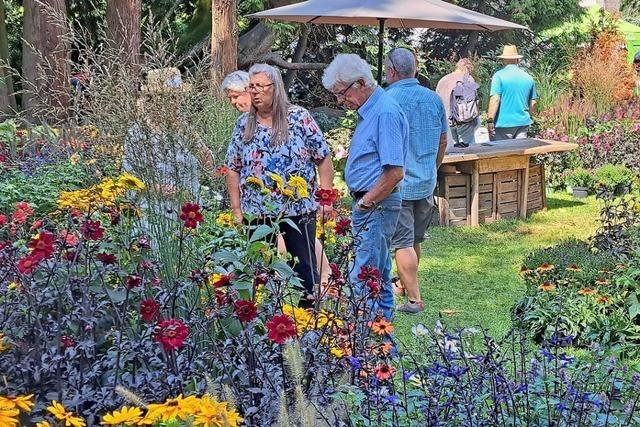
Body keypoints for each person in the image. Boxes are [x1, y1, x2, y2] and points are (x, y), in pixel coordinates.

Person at [225, 64, 334, 307]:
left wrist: (326, 200)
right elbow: (232, 167)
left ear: (276, 88)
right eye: (251, 87)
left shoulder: (299, 118)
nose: (254, 92)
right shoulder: (244, 124)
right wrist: (236, 210)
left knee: (305, 267)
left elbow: (324, 158)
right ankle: (263, 318)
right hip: (257, 212)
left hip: (298, 210)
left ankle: (309, 318)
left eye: (260, 87)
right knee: (259, 268)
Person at [322, 54, 408, 320]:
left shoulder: (385, 111)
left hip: (376, 206)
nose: (340, 100)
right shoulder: (371, 111)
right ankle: (380, 348)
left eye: (341, 93)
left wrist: (365, 203)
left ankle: (367, 347)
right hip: (373, 206)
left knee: (364, 279)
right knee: (377, 277)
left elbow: (395, 172)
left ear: (360, 83)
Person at [385, 48, 447, 314]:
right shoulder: (433, 99)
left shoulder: (387, 99)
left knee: (403, 242)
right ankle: (402, 283)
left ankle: (414, 299)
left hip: (398, 184)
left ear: (391, 71)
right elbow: (443, 140)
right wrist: (433, 167)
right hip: (426, 181)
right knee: (414, 239)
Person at [487, 45, 538, 141]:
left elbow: (495, 99)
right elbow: (533, 103)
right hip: (522, 124)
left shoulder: (498, 76)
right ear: (517, 60)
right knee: (519, 153)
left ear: (503, 60)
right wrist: (530, 116)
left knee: (501, 154)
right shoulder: (528, 78)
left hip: (502, 124)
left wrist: (490, 120)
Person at [436, 58, 480, 148]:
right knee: (468, 149)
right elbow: (473, 102)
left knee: (451, 149)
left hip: (446, 119)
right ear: (467, 68)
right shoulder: (468, 78)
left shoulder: (443, 80)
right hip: (464, 119)